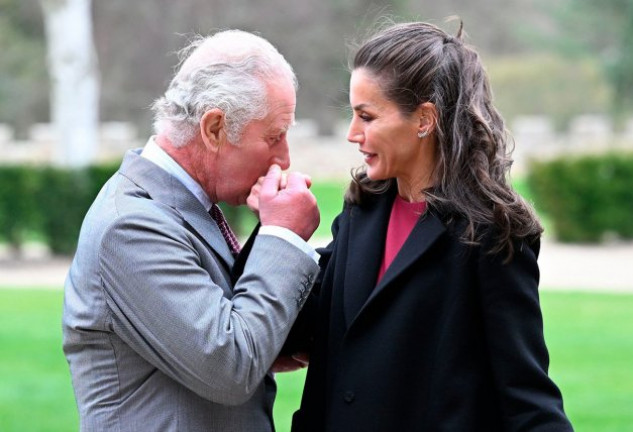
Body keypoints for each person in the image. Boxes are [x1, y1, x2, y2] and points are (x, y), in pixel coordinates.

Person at [287, 21, 574, 431]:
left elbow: (526, 397)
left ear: (424, 119)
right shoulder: (359, 212)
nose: (353, 134)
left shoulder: (490, 234)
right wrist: (277, 232)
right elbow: (299, 329)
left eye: (366, 116)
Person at [62, 30, 321, 432]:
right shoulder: (130, 226)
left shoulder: (185, 210)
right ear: (214, 128)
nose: (284, 157)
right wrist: (283, 235)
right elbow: (230, 366)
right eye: (274, 136)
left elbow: (234, 332)